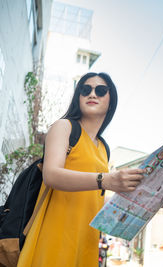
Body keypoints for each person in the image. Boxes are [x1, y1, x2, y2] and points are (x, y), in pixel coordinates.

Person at [17, 72, 145, 267]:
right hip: (55, 236)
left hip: (87, 240)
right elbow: (51, 175)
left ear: (111, 101)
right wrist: (106, 180)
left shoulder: (103, 148)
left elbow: (94, 195)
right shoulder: (64, 127)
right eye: (86, 89)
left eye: (101, 90)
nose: (92, 94)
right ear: (78, 97)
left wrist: (141, 199)